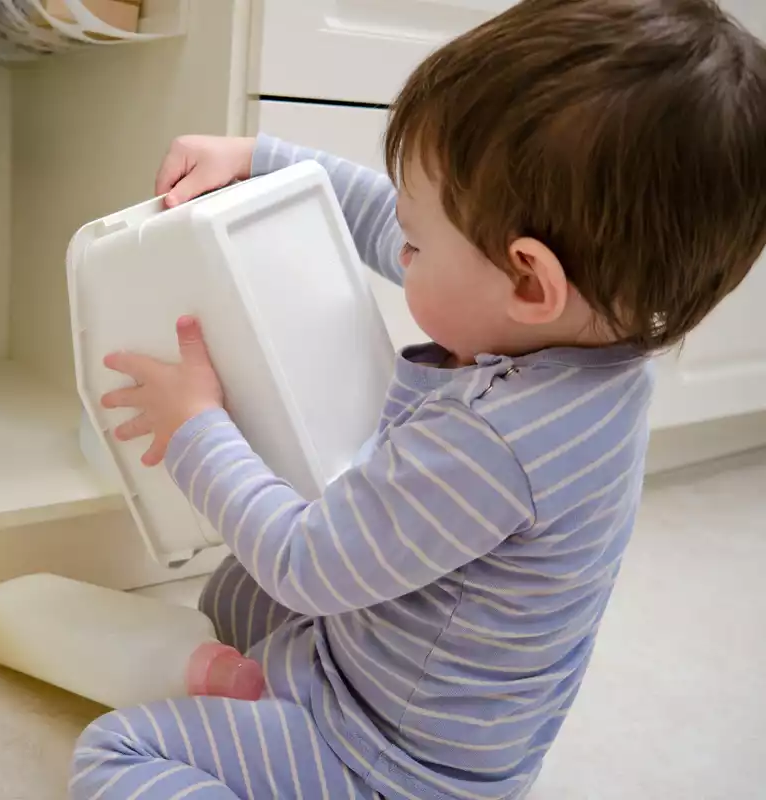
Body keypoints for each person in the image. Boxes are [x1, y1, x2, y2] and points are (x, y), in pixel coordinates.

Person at [70, 1, 766, 798]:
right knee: (234, 592)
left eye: (415, 243)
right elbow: (384, 217)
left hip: (385, 759)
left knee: (118, 753)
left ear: (529, 280)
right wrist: (263, 160)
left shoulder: (493, 441)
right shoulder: (599, 344)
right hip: (431, 709)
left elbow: (305, 562)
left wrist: (198, 428)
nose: (398, 250)